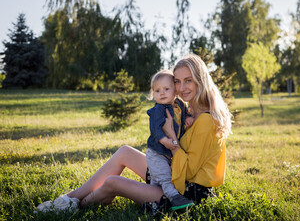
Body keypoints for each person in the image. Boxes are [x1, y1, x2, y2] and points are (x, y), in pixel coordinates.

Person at [35, 53, 232, 213]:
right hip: (173, 175)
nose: (181, 88)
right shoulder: (189, 111)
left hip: (186, 192)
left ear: (200, 80)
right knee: (125, 152)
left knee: (112, 182)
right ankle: (69, 198)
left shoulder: (206, 120)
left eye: (188, 81)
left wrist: (171, 137)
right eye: (178, 81)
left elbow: (188, 171)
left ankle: (76, 205)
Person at [146, 69, 194, 210]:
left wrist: (189, 117)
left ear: (175, 91)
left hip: (167, 155)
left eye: (166, 89)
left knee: (156, 181)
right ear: (153, 93)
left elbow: (184, 113)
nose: (162, 93)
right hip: (157, 153)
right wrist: (164, 140)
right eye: (157, 90)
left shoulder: (179, 104)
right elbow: (155, 129)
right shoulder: (157, 110)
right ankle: (175, 198)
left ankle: (152, 202)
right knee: (165, 177)